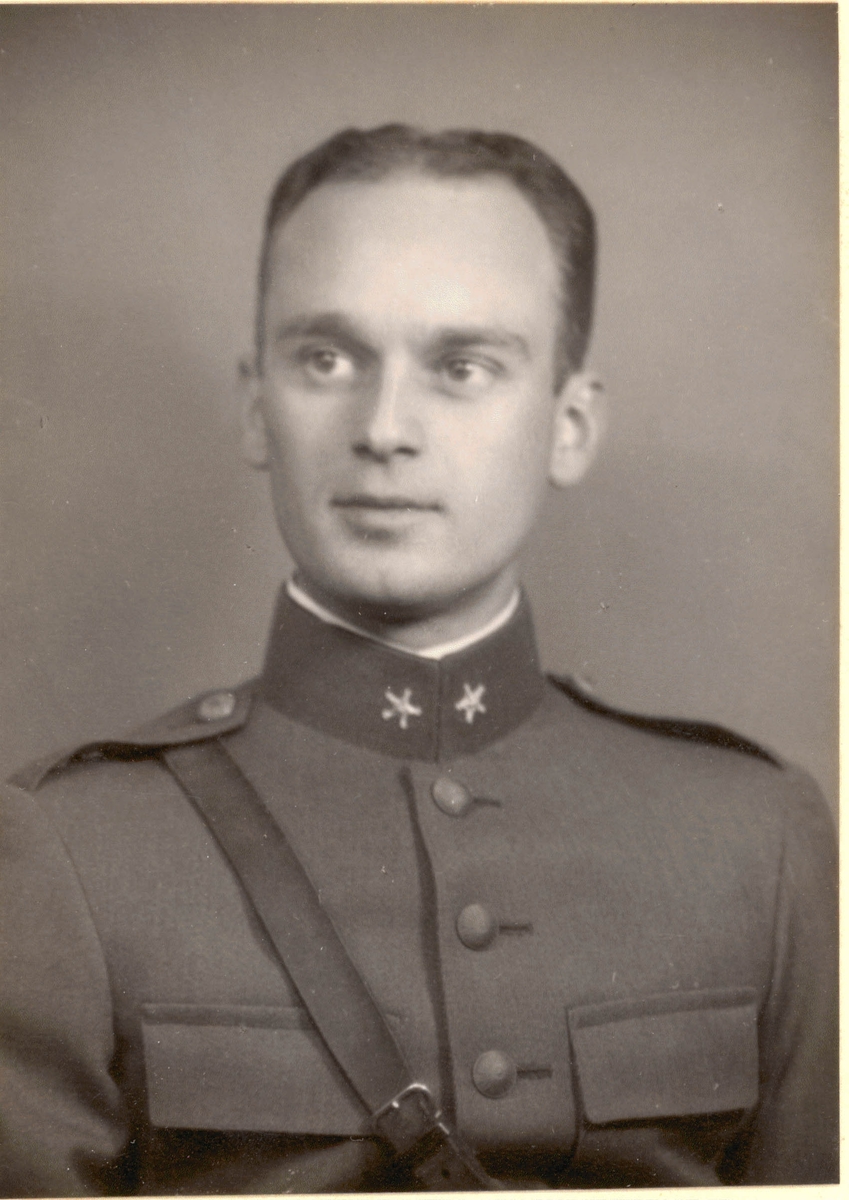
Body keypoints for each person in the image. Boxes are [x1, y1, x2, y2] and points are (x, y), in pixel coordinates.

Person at [0, 125, 837, 1195]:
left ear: (569, 425)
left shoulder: (759, 843)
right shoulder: (69, 854)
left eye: (462, 367)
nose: (385, 427)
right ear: (257, 408)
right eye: (327, 359)